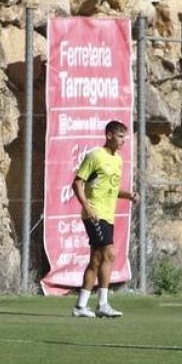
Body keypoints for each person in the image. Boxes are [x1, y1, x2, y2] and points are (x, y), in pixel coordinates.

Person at [71, 120, 137, 318]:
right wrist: (87, 206)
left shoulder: (118, 161)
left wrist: (129, 195)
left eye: (124, 137)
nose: (123, 141)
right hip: (95, 213)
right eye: (120, 136)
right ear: (109, 135)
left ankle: (81, 306)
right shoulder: (95, 156)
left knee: (97, 259)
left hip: (108, 215)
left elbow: (112, 189)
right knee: (109, 254)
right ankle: (102, 304)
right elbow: (77, 183)